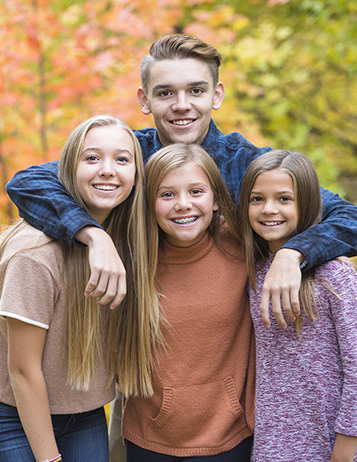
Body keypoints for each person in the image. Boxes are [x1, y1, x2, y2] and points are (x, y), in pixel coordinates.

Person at [6, 34, 357, 329]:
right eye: (165, 93)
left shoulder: (246, 165)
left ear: (216, 95)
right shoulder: (130, 157)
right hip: (134, 344)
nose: (182, 105)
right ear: (145, 100)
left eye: (196, 91)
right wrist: (93, 235)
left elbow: (348, 218)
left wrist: (294, 253)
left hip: (225, 351)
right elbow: (28, 182)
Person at [0, 115, 162, 462]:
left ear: (136, 175)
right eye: (91, 158)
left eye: (122, 159)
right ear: (66, 169)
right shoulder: (36, 255)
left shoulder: (130, 242)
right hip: (13, 412)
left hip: (84, 413)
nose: (107, 170)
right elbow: (22, 371)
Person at [122, 143, 255, 461]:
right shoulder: (132, 258)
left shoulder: (243, 246)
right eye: (167, 195)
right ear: (149, 203)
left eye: (196, 191)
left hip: (230, 435)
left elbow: (306, 216)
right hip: (150, 438)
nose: (183, 205)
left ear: (217, 200)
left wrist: (295, 255)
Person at [239, 149, 357, 462]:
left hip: (332, 444)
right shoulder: (253, 272)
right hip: (270, 446)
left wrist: (348, 440)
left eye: (283, 199)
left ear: (307, 202)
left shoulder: (335, 274)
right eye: (256, 199)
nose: (268, 209)